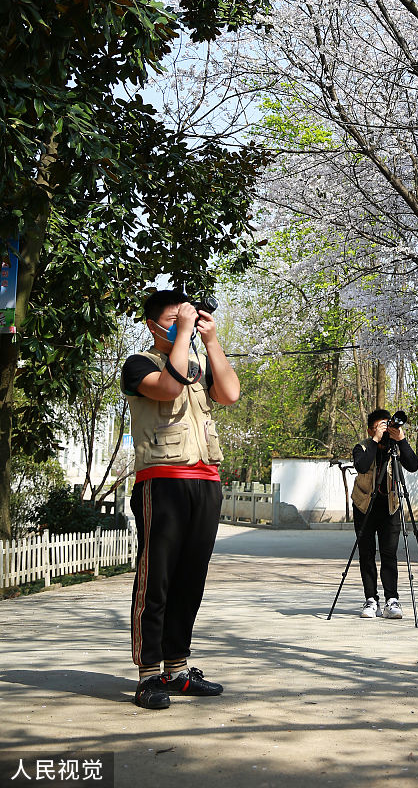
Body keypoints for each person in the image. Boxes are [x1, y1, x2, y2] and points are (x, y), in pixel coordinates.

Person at [122, 288, 241, 710]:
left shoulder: (197, 365)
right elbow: (167, 389)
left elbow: (229, 393)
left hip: (206, 479)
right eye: (174, 318)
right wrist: (185, 331)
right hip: (162, 480)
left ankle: (177, 668)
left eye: (186, 316)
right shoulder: (139, 365)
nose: (183, 323)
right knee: (157, 579)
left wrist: (209, 340)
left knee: (191, 580)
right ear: (154, 324)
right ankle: (148, 674)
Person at [352, 409, 418, 619]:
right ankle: (371, 600)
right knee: (367, 554)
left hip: (389, 506)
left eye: (387, 425)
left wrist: (402, 440)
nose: (385, 430)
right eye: (379, 426)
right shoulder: (362, 446)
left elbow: (413, 466)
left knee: (389, 554)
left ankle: (392, 600)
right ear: (370, 429)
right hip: (364, 506)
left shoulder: (395, 448)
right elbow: (362, 465)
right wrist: (375, 440)